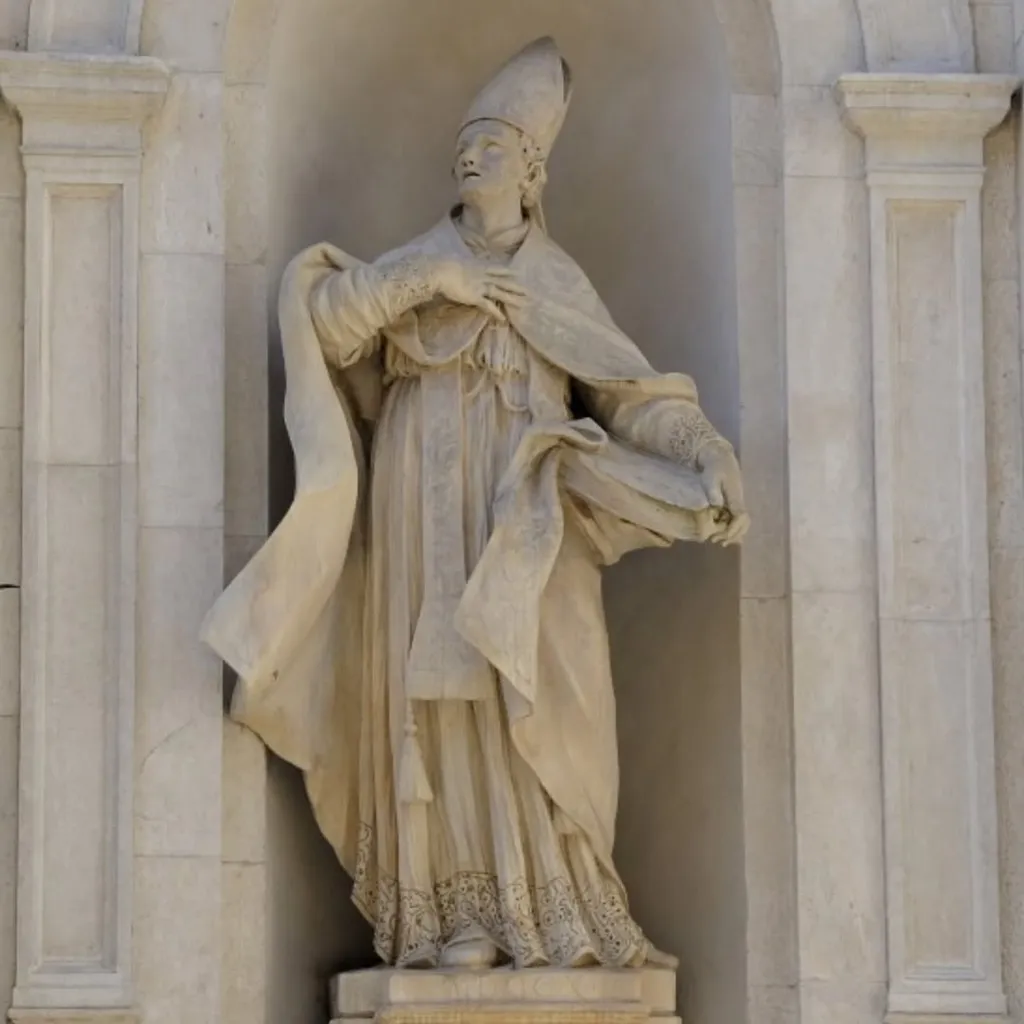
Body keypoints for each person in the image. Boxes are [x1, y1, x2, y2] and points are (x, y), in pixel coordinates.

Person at [203, 36, 748, 971]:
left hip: (526, 528)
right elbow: (326, 322)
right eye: (466, 141)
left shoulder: (557, 282)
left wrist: (703, 448)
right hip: (419, 526)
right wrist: (432, 281)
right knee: (439, 713)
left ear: (533, 170)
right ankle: (456, 917)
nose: (472, 154)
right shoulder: (413, 267)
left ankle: (559, 904)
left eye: (494, 143)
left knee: (545, 701)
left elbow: (627, 392)